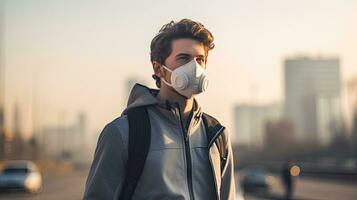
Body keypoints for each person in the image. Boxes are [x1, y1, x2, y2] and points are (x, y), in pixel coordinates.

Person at [83, 19, 236, 200]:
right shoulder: (123, 133)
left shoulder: (216, 135)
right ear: (158, 69)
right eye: (184, 58)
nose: (195, 68)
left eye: (200, 60)